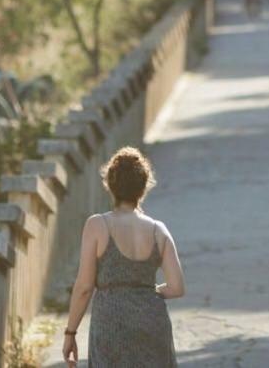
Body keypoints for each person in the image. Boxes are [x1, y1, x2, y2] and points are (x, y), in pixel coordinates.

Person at [63, 147, 185, 367]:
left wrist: (70, 332)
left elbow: (84, 287)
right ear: (143, 186)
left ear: (110, 185)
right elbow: (177, 287)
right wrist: (146, 290)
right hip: (152, 320)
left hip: (111, 323)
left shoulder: (97, 225)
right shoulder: (159, 230)